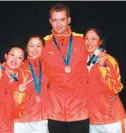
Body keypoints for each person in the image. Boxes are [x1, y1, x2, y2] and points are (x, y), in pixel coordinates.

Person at [42, 3, 89, 133]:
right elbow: (29, 64)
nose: (59, 24)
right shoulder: (43, 43)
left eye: (62, 20)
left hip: (79, 108)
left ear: (68, 20)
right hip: (54, 109)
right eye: (55, 20)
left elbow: (100, 57)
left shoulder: (83, 40)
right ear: (50, 21)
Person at [83, 28, 126, 133]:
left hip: (112, 120)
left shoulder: (109, 60)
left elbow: (116, 88)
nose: (89, 42)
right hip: (93, 121)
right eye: (86, 38)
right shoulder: (82, 61)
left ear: (100, 42)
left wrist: (102, 67)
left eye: (93, 39)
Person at [13, 34, 49, 133]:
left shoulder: (48, 65)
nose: (35, 49)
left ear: (43, 48)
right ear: (26, 48)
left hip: (41, 117)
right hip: (21, 118)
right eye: (31, 46)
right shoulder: (18, 64)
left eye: (38, 46)